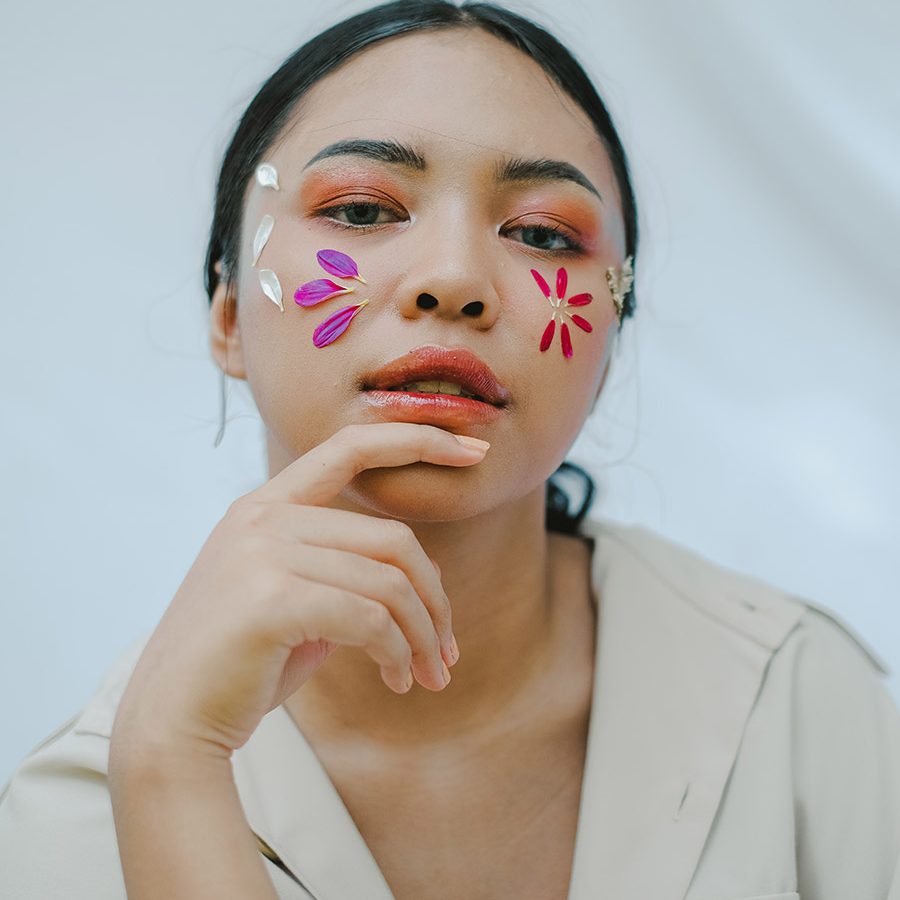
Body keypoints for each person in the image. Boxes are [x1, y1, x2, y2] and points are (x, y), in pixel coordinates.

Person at [2, 2, 899, 898]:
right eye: (361, 208)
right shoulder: (77, 817)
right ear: (229, 314)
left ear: (609, 346)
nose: (455, 280)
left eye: (543, 235)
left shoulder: (795, 701)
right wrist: (170, 767)